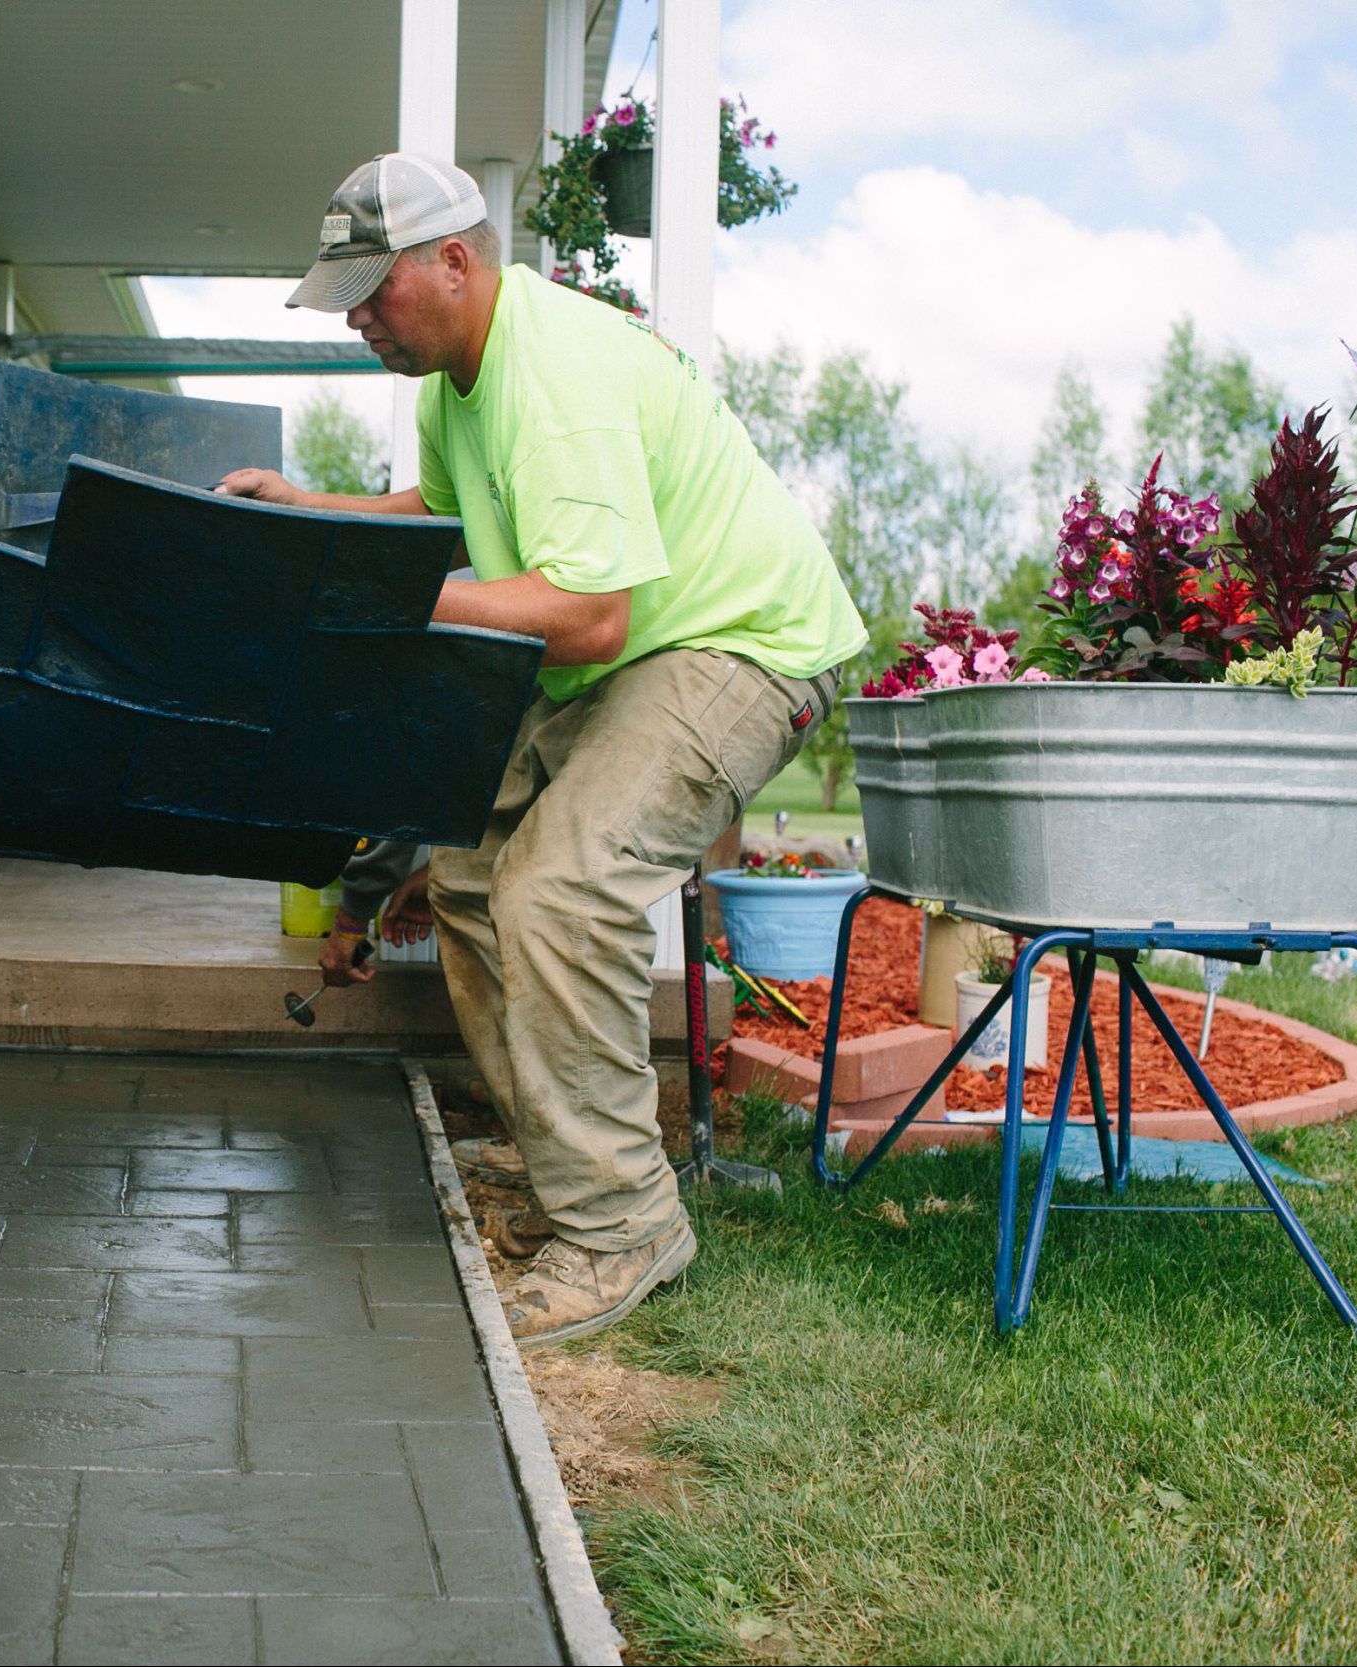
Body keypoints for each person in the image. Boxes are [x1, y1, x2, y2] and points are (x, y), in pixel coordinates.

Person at [218, 153, 865, 1348]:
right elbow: (446, 516)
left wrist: (386, 605)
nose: (357, 317)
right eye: (344, 294)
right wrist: (315, 515)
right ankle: (576, 1176)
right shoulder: (452, 385)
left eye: (373, 290)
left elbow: (586, 611)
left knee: (563, 887)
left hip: (734, 645)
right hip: (628, 655)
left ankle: (622, 1224)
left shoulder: (553, 370)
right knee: (465, 881)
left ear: (455, 261)